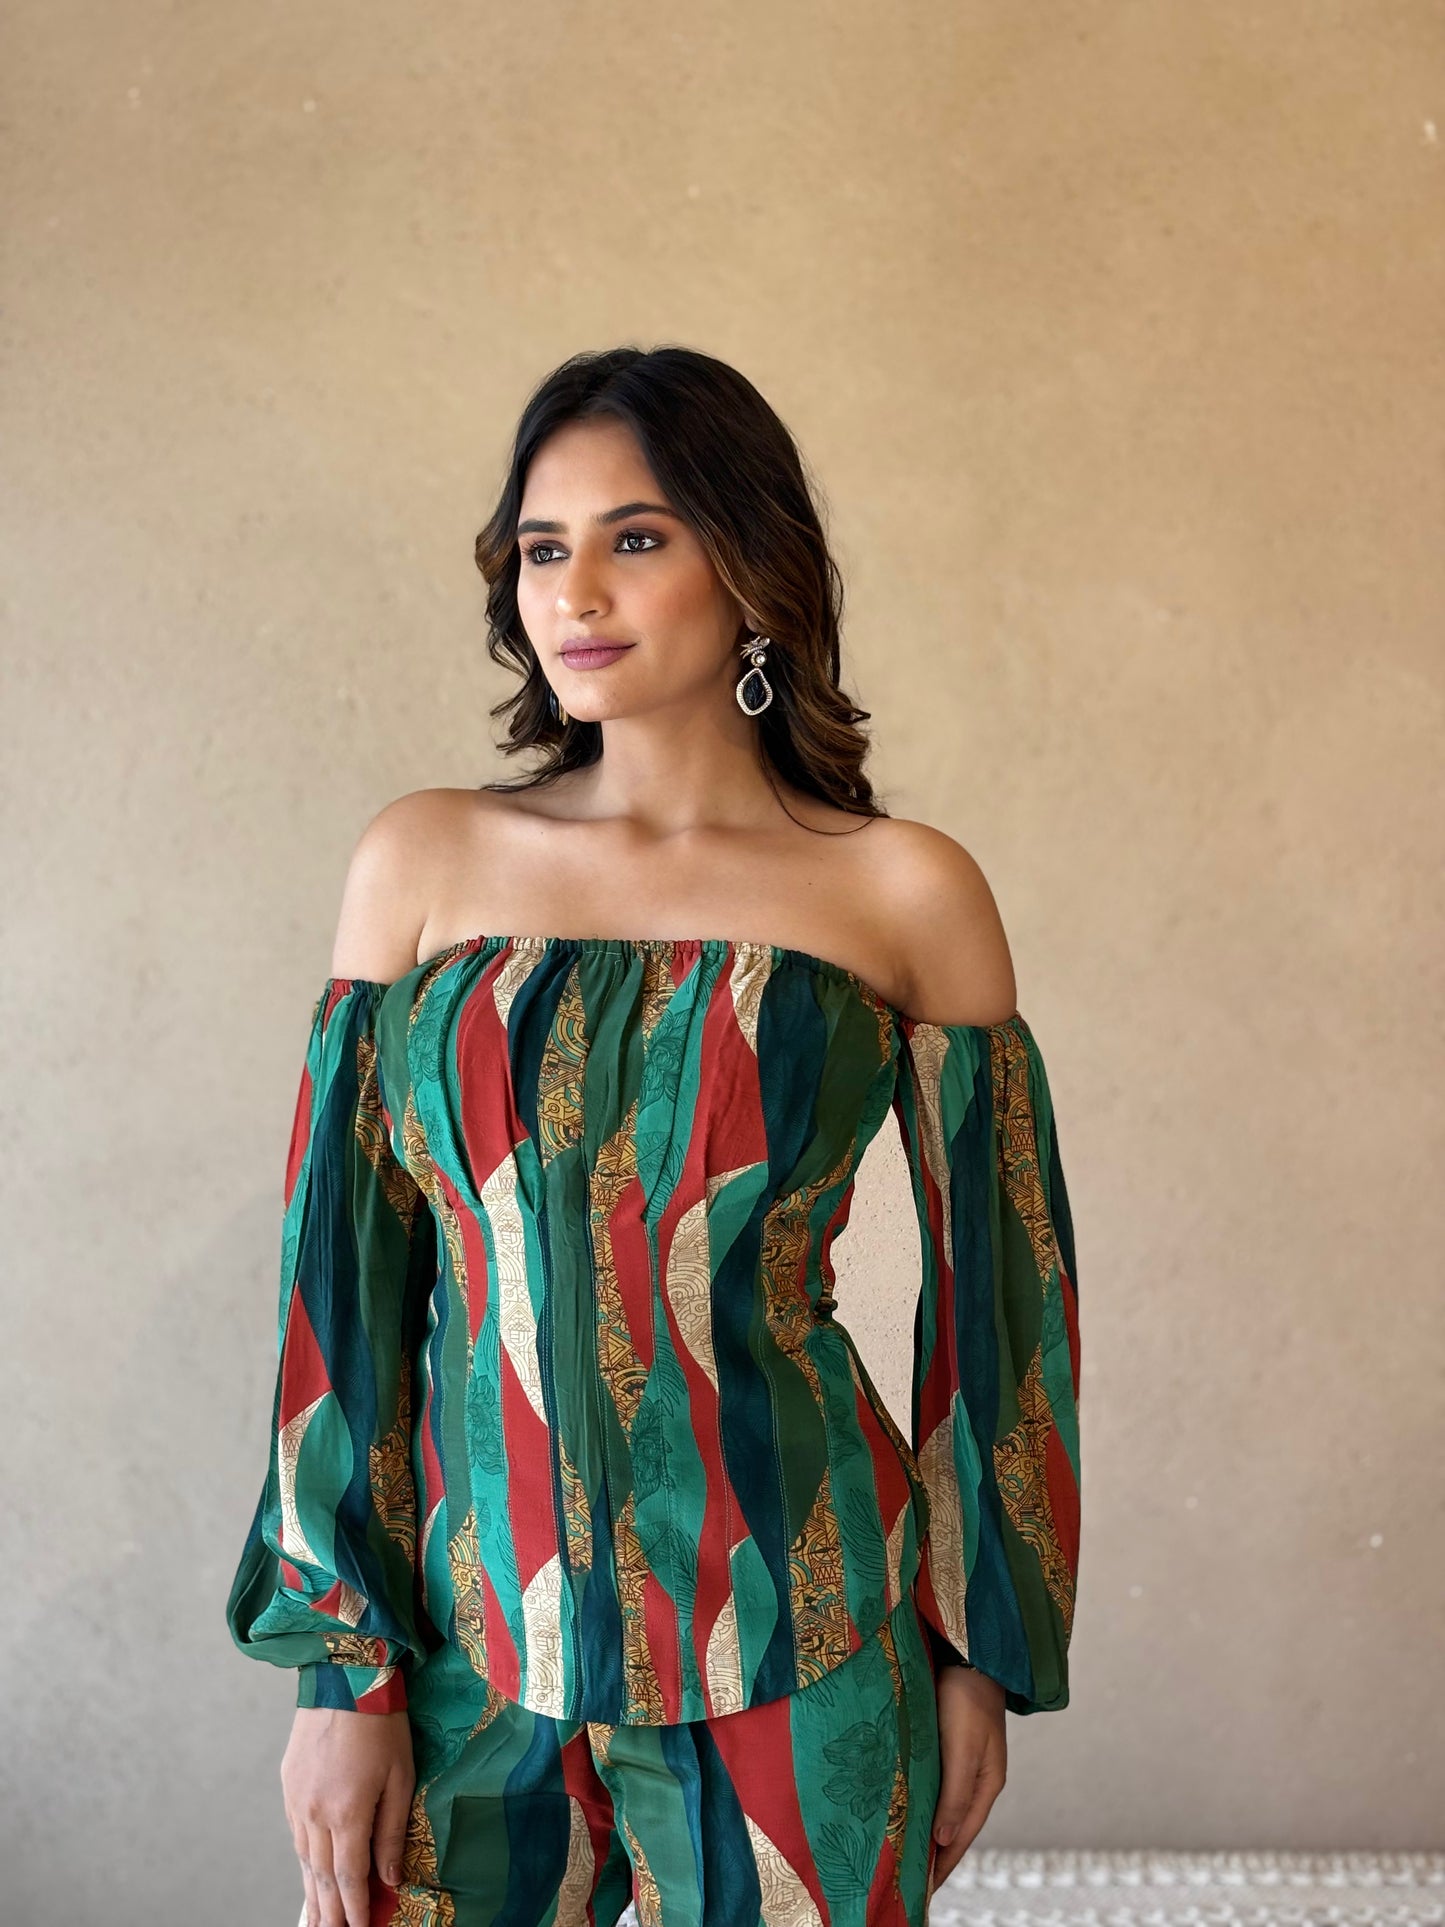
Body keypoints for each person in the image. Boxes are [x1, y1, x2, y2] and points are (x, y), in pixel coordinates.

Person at [226, 345, 1082, 1927]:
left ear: (748, 564)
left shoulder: (901, 890)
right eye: (540, 548)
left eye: (635, 537)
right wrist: (339, 1674)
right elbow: (336, 1295)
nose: (574, 592)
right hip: (459, 1650)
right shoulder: (423, 862)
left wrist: (981, 1654)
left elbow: (1004, 1308)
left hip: (811, 1645)